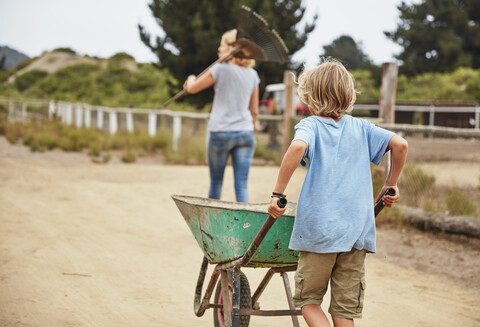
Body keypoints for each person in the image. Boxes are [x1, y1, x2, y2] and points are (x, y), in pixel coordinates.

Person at [268, 58, 408, 327]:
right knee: (344, 311)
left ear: (310, 95)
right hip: (357, 231)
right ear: (348, 94)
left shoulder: (310, 125)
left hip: (320, 231)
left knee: (308, 301)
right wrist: (390, 184)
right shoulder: (362, 128)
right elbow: (400, 144)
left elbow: (297, 149)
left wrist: (277, 193)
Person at [183, 29, 260, 203]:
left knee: (216, 183)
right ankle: (245, 227)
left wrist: (190, 78)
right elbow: (254, 110)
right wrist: (249, 126)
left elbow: (193, 88)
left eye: (222, 44)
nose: (219, 48)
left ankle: (212, 226)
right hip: (246, 132)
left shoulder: (220, 69)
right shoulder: (253, 75)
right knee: (242, 185)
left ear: (232, 48)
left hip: (221, 132)